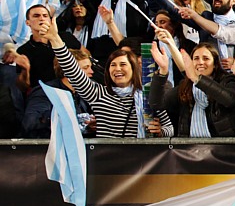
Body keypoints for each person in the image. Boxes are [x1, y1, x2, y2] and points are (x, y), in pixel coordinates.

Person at [43, 16, 172, 138]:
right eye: (112, 65)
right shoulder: (98, 94)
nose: (117, 69)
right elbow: (73, 71)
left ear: (133, 68)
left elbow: (170, 128)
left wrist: (160, 131)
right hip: (107, 159)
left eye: (123, 64)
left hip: (143, 160)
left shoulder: (148, 96)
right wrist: (55, 40)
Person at [149, 42, 235, 137]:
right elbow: (157, 103)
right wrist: (163, 72)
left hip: (221, 149)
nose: (200, 62)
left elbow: (229, 100)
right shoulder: (185, 85)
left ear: (215, 64)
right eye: (196, 58)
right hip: (190, 149)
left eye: (206, 58)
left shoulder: (227, 80)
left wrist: (198, 79)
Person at [22, 48, 97, 138]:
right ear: (68, 71)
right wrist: (67, 118)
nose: (91, 72)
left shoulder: (83, 94)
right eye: (85, 68)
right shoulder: (45, 92)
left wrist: (90, 125)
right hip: (46, 148)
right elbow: (30, 122)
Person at [17, 5, 81, 88]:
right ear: (27, 22)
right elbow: (23, 87)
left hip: (75, 88)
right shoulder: (23, 51)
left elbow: (86, 56)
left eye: (45, 16)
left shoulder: (67, 37)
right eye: (36, 16)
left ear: (50, 20)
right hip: (44, 93)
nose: (41, 18)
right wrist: (25, 70)